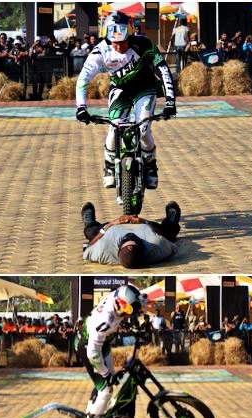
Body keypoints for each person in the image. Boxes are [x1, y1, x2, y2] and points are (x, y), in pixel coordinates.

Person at [76, 13, 176, 191]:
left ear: (130, 35)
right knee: (114, 129)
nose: (119, 46)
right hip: (120, 91)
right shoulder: (100, 51)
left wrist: (170, 102)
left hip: (145, 89)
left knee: (143, 128)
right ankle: (108, 165)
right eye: (114, 43)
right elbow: (83, 79)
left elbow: (163, 69)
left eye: (123, 42)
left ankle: (151, 164)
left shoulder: (143, 44)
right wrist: (81, 107)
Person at [74, 284, 145, 418]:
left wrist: (136, 326)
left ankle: (90, 417)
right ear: (120, 304)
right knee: (106, 389)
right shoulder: (105, 320)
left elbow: (133, 301)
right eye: (128, 311)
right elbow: (92, 353)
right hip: (89, 349)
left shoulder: (119, 297)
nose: (130, 314)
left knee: (109, 384)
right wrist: (104, 373)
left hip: (102, 345)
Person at [81, 201, 180, 268]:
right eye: (135, 240)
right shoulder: (156, 247)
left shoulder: (103, 250)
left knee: (92, 233)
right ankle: (171, 221)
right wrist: (143, 221)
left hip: (114, 227)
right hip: (142, 226)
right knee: (169, 233)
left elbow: (90, 246)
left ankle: (90, 222)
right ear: (142, 248)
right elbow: (170, 244)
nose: (130, 236)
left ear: (119, 249)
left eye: (126, 241)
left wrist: (112, 224)